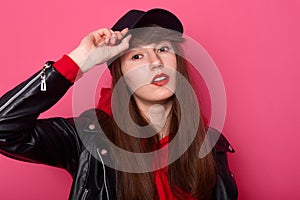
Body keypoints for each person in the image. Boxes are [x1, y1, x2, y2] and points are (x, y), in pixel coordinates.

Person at [0, 8, 237, 200]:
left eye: (163, 49)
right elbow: (4, 128)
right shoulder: (89, 138)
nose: (155, 62)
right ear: (120, 77)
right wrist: (78, 60)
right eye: (137, 56)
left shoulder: (209, 143)